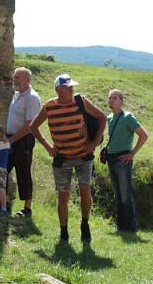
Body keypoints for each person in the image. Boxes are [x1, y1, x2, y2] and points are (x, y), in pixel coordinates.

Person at [31, 74, 107, 242]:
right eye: (68, 87)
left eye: (72, 87)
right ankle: (63, 232)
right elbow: (34, 126)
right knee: (63, 196)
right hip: (62, 158)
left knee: (85, 190)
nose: (72, 89)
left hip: (83, 156)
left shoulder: (81, 101)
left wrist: (94, 143)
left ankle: (85, 224)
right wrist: (47, 147)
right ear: (59, 90)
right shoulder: (49, 106)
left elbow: (102, 117)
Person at [105, 89, 148, 232]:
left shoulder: (128, 117)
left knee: (125, 194)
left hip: (123, 158)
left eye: (115, 98)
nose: (111, 100)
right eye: (110, 97)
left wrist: (132, 153)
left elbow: (143, 135)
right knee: (117, 194)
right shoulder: (109, 117)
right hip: (111, 158)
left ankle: (130, 227)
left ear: (121, 100)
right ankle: (121, 226)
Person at [5, 67, 41, 217]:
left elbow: (29, 125)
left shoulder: (32, 97)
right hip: (10, 138)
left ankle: (27, 208)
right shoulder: (17, 95)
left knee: (23, 172)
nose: (15, 79)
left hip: (23, 140)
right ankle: (4, 202)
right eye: (14, 77)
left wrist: (12, 140)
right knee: (3, 169)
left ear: (27, 79)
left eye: (18, 77)